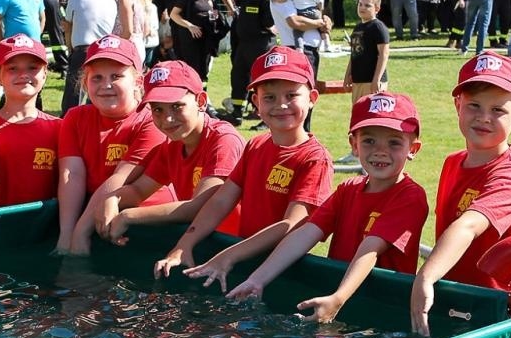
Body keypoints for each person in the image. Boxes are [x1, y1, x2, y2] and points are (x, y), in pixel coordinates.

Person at [223, 92, 429, 322]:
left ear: (413, 148)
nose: (380, 151)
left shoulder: (410, 196)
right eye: (369, 141)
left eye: (394, 142)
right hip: (340, 304)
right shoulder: (347, 189)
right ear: (354, 145)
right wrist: (258, 279)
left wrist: (338, 298)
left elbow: (370, 249)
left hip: (383, 309)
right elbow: (305, 233)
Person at [159, 48, 331, 285]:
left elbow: (292, 225)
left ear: (312, 98)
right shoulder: (256, 145)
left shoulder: (315, 158)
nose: (281, 105)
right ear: (256, 102)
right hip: (245, 265)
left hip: (284, 273)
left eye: (291, 95)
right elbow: (220, 200)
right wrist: (184, 245)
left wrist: (229, 255)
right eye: (270, 97)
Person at [408, 54, 511, 336]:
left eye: (498, 110)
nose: (484, 118)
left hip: (497, 311)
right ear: (458, 106)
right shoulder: (453, 162)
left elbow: (467, 226)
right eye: (474, 106)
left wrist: (426, 276)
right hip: (456, 300)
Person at [101, 61, 244, 244]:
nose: (167, 119)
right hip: (201, 242)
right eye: (158, 109)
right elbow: (138, 190)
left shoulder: (223, 140)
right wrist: (112, 198)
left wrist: (128, 216)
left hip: (232, 246)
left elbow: (198, 207)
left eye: (177, 106)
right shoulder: (172, 145)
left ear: (201, 101)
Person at [55, 35, 163, 254]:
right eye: (97, 78)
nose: (106, 85)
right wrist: (66, 235)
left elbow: (120, 179)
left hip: (148, 223)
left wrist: (80, 232)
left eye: (116, 76)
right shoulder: (75, 117)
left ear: (138, 81)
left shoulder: (151, 120)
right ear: (85, 82)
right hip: (96, 216)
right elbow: (72, 175)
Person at [0, 34, 63, 207]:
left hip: (49, 230)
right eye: (13, 68)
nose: (23, 74)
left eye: (32, 67)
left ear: (45, 74)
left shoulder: (60, 128)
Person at [62, 0, 120, 111]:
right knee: (98, 89)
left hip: (81, 49)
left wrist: (69, 47)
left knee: (73, 92)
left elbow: (67, 24)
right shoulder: (112, 1)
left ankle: (67, 119)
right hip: (103, 50)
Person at [224, 0, 275, 122]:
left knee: (262, 80)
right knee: (238, 76)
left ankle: (264, 117)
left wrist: (270, 29)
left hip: (261, 43)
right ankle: (237, 112)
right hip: (244, 44)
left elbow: (270, 19)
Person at [167, 0, 227, 81]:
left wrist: (215, 17)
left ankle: (202, 94)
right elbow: (174, 14)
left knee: (204, 72)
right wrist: (190, 26)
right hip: (190, 41)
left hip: (205, 40)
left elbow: (212, 11)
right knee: (192, 71)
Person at [345, 0, 391, 105]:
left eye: (367, 5)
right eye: (360, 4)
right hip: (358, 80)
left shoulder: (378, 27)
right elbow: (354, 54)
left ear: (377, 8)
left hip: (372, 81)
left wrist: (376, 79)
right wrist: (347, 75)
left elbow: (383, 55)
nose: (362, 8)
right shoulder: (358, 27)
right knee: (358, 117)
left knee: (371, 118)